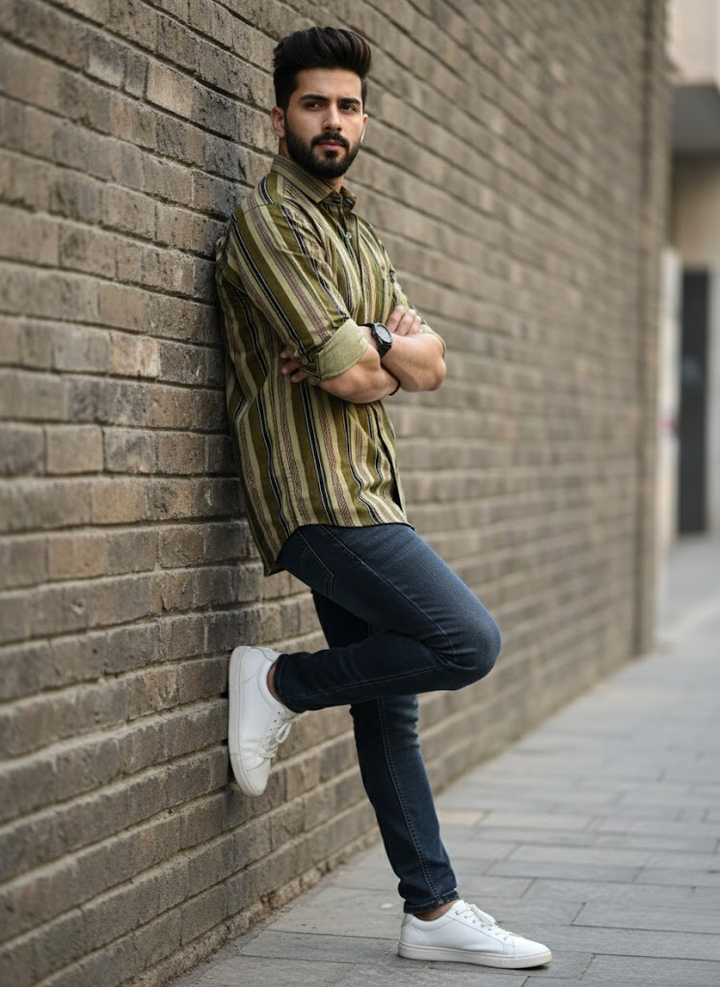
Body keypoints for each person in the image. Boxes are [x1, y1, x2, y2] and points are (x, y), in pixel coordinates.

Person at [215, 26, 552, 970]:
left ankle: (430, 909)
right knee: (465, 641)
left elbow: (424, 363)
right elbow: (356, 375)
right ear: (278, 112)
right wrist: (372, 351)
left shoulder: (355, 231)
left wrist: (367, 341)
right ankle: (277, 680)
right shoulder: (268, 224)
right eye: (316, 103)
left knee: (392, 704)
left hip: (368, 490)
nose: (334, 121)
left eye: (349, 106)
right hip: (318, 500)